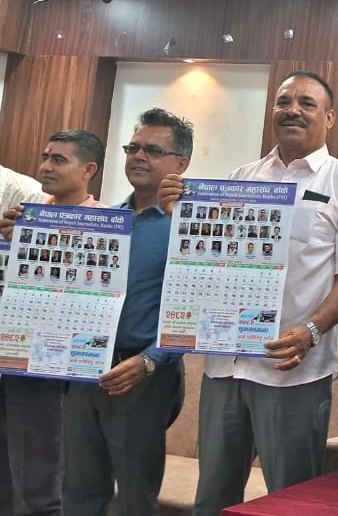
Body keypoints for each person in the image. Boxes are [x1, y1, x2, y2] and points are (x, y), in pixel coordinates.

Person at [162, 72, 338, 515]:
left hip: (292, 370)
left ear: (329, 118)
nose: (292, 110)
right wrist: (178, 214)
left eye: (306, 103)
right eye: (284, 101)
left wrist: (311, 330)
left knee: (291, 501)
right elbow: (213, 260)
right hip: (226, 366)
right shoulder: (241, 178)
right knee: (213, 499)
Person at [62, 110, 194, 516]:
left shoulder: (189, 228)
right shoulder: (105, 221)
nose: (139, 156)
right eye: (133, 147)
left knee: (135, 499)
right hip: (84, 369)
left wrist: (151, 360)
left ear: (181, 164)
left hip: (143, 374)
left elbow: (195, 310)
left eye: (153, 150)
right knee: (78, 492)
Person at [0, 130, 107, 516]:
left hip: (54, 368)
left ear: (88, 170)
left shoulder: (105, 225)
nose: (46, 166)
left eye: (59, 160)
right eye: (45, 157)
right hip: (9, 354)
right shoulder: (23, 215)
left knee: (41, 487)